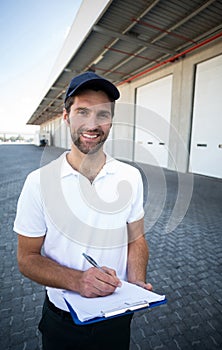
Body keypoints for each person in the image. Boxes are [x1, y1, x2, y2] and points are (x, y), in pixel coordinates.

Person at [14, 71, 152, 350]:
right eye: (82, 112)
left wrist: (136, 283)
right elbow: (26, 258)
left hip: (117, 315)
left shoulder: (131, 177)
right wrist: (78, 281)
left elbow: (136, 239)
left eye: (103, 114)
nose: (93, 124)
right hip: (63, 322)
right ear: (66, 116)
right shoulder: (38, 183)